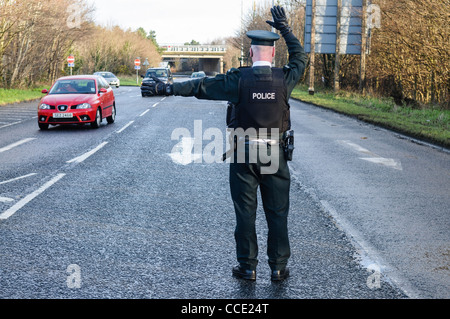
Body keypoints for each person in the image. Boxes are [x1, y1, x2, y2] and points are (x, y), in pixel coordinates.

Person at [150, 6, 307, 281]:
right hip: (274, 152)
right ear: (272, 54)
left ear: (250, 53)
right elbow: (300, 58)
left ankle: (248, 267)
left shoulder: (238, 79)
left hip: (244, 152)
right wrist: (285, 29)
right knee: (277, 212)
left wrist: (167, 88)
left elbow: (202, 86)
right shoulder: (285, 79)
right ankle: (278, 268)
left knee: (245, 212)